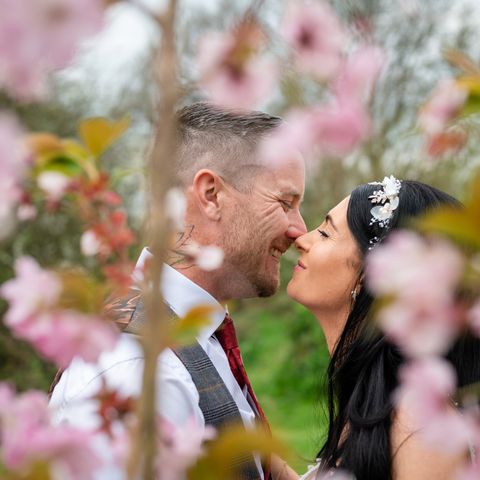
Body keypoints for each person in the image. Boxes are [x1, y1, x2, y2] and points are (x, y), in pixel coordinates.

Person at [49, 103, 307, 479]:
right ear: (211, 194)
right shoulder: (138, 372)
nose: (298, 229)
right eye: (285, 203)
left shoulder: (192, 335)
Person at [273, 178, 480, 480]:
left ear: (370, 275)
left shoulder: (420, 429)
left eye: (324, 233)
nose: (302, 239)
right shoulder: (383, 408)